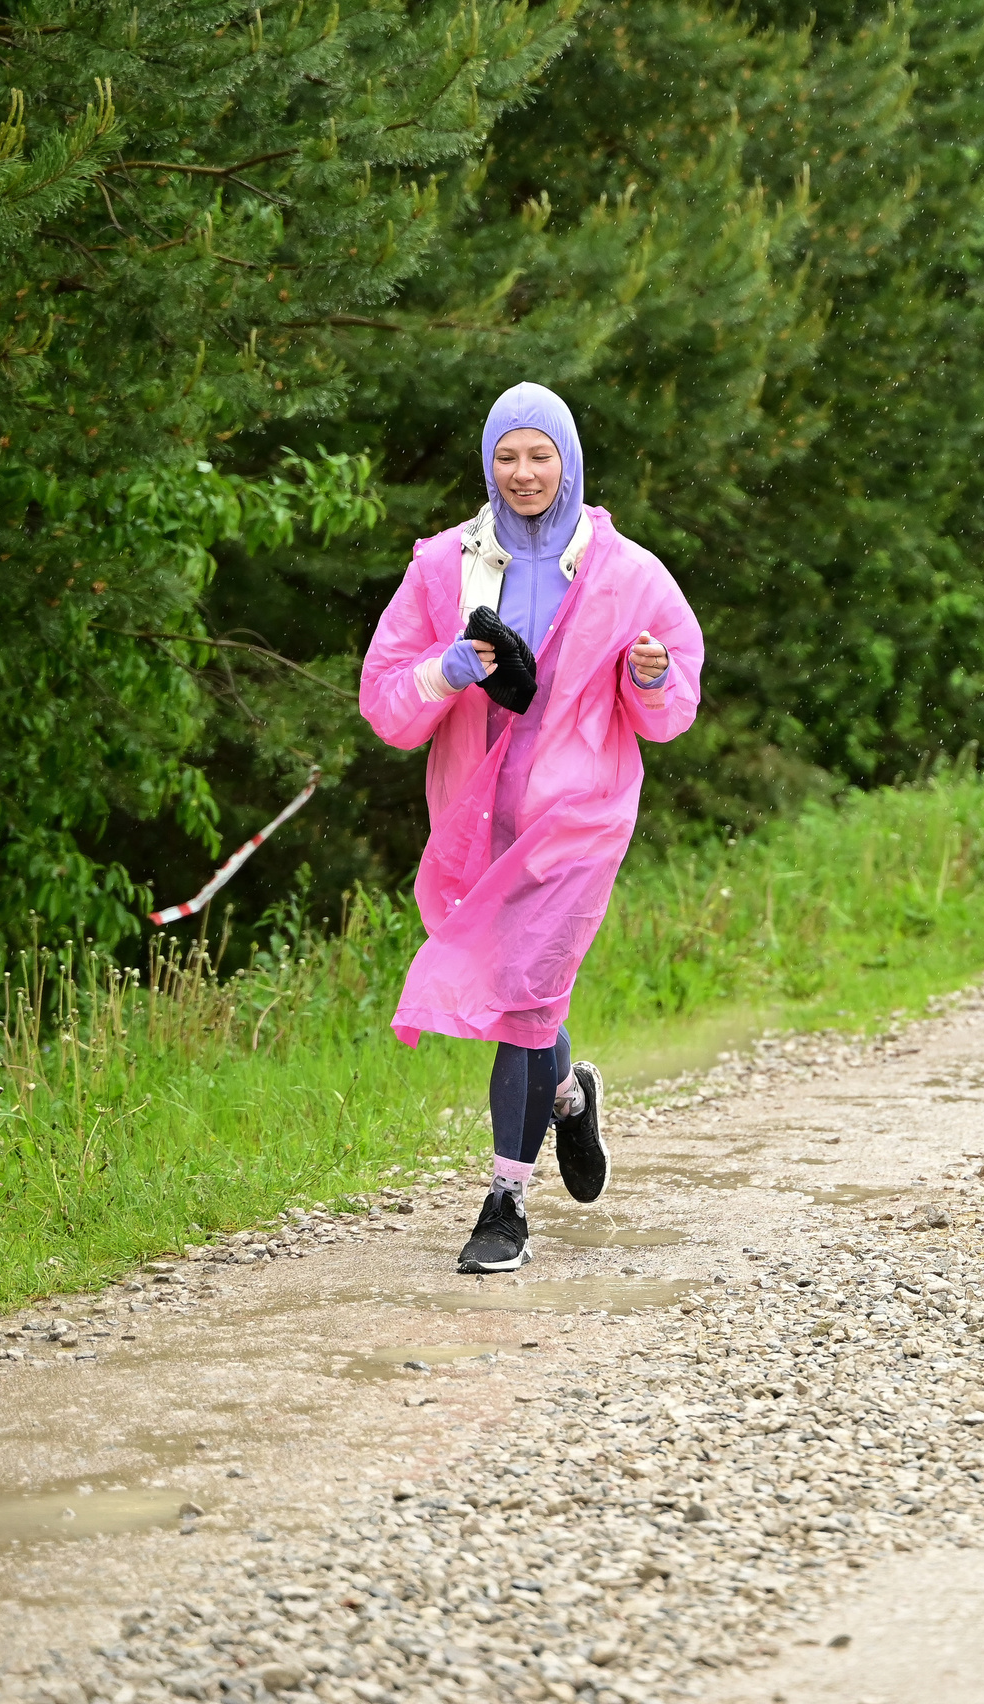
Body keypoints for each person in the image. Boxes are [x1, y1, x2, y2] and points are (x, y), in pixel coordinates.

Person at [360, 383, 704, 1274]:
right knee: (526, 994)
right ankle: (568, 1097)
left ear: (569, 461)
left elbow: (672, 710)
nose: (523, 472)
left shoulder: (630, 574)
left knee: (520, 1000)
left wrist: (651, 676)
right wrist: (447, 669)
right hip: (475, 826)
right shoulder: (444, 567)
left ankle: (505, 1204)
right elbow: (386, 703)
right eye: (506, 455)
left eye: (539, 455)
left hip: (579, 821)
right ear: (488, 464)